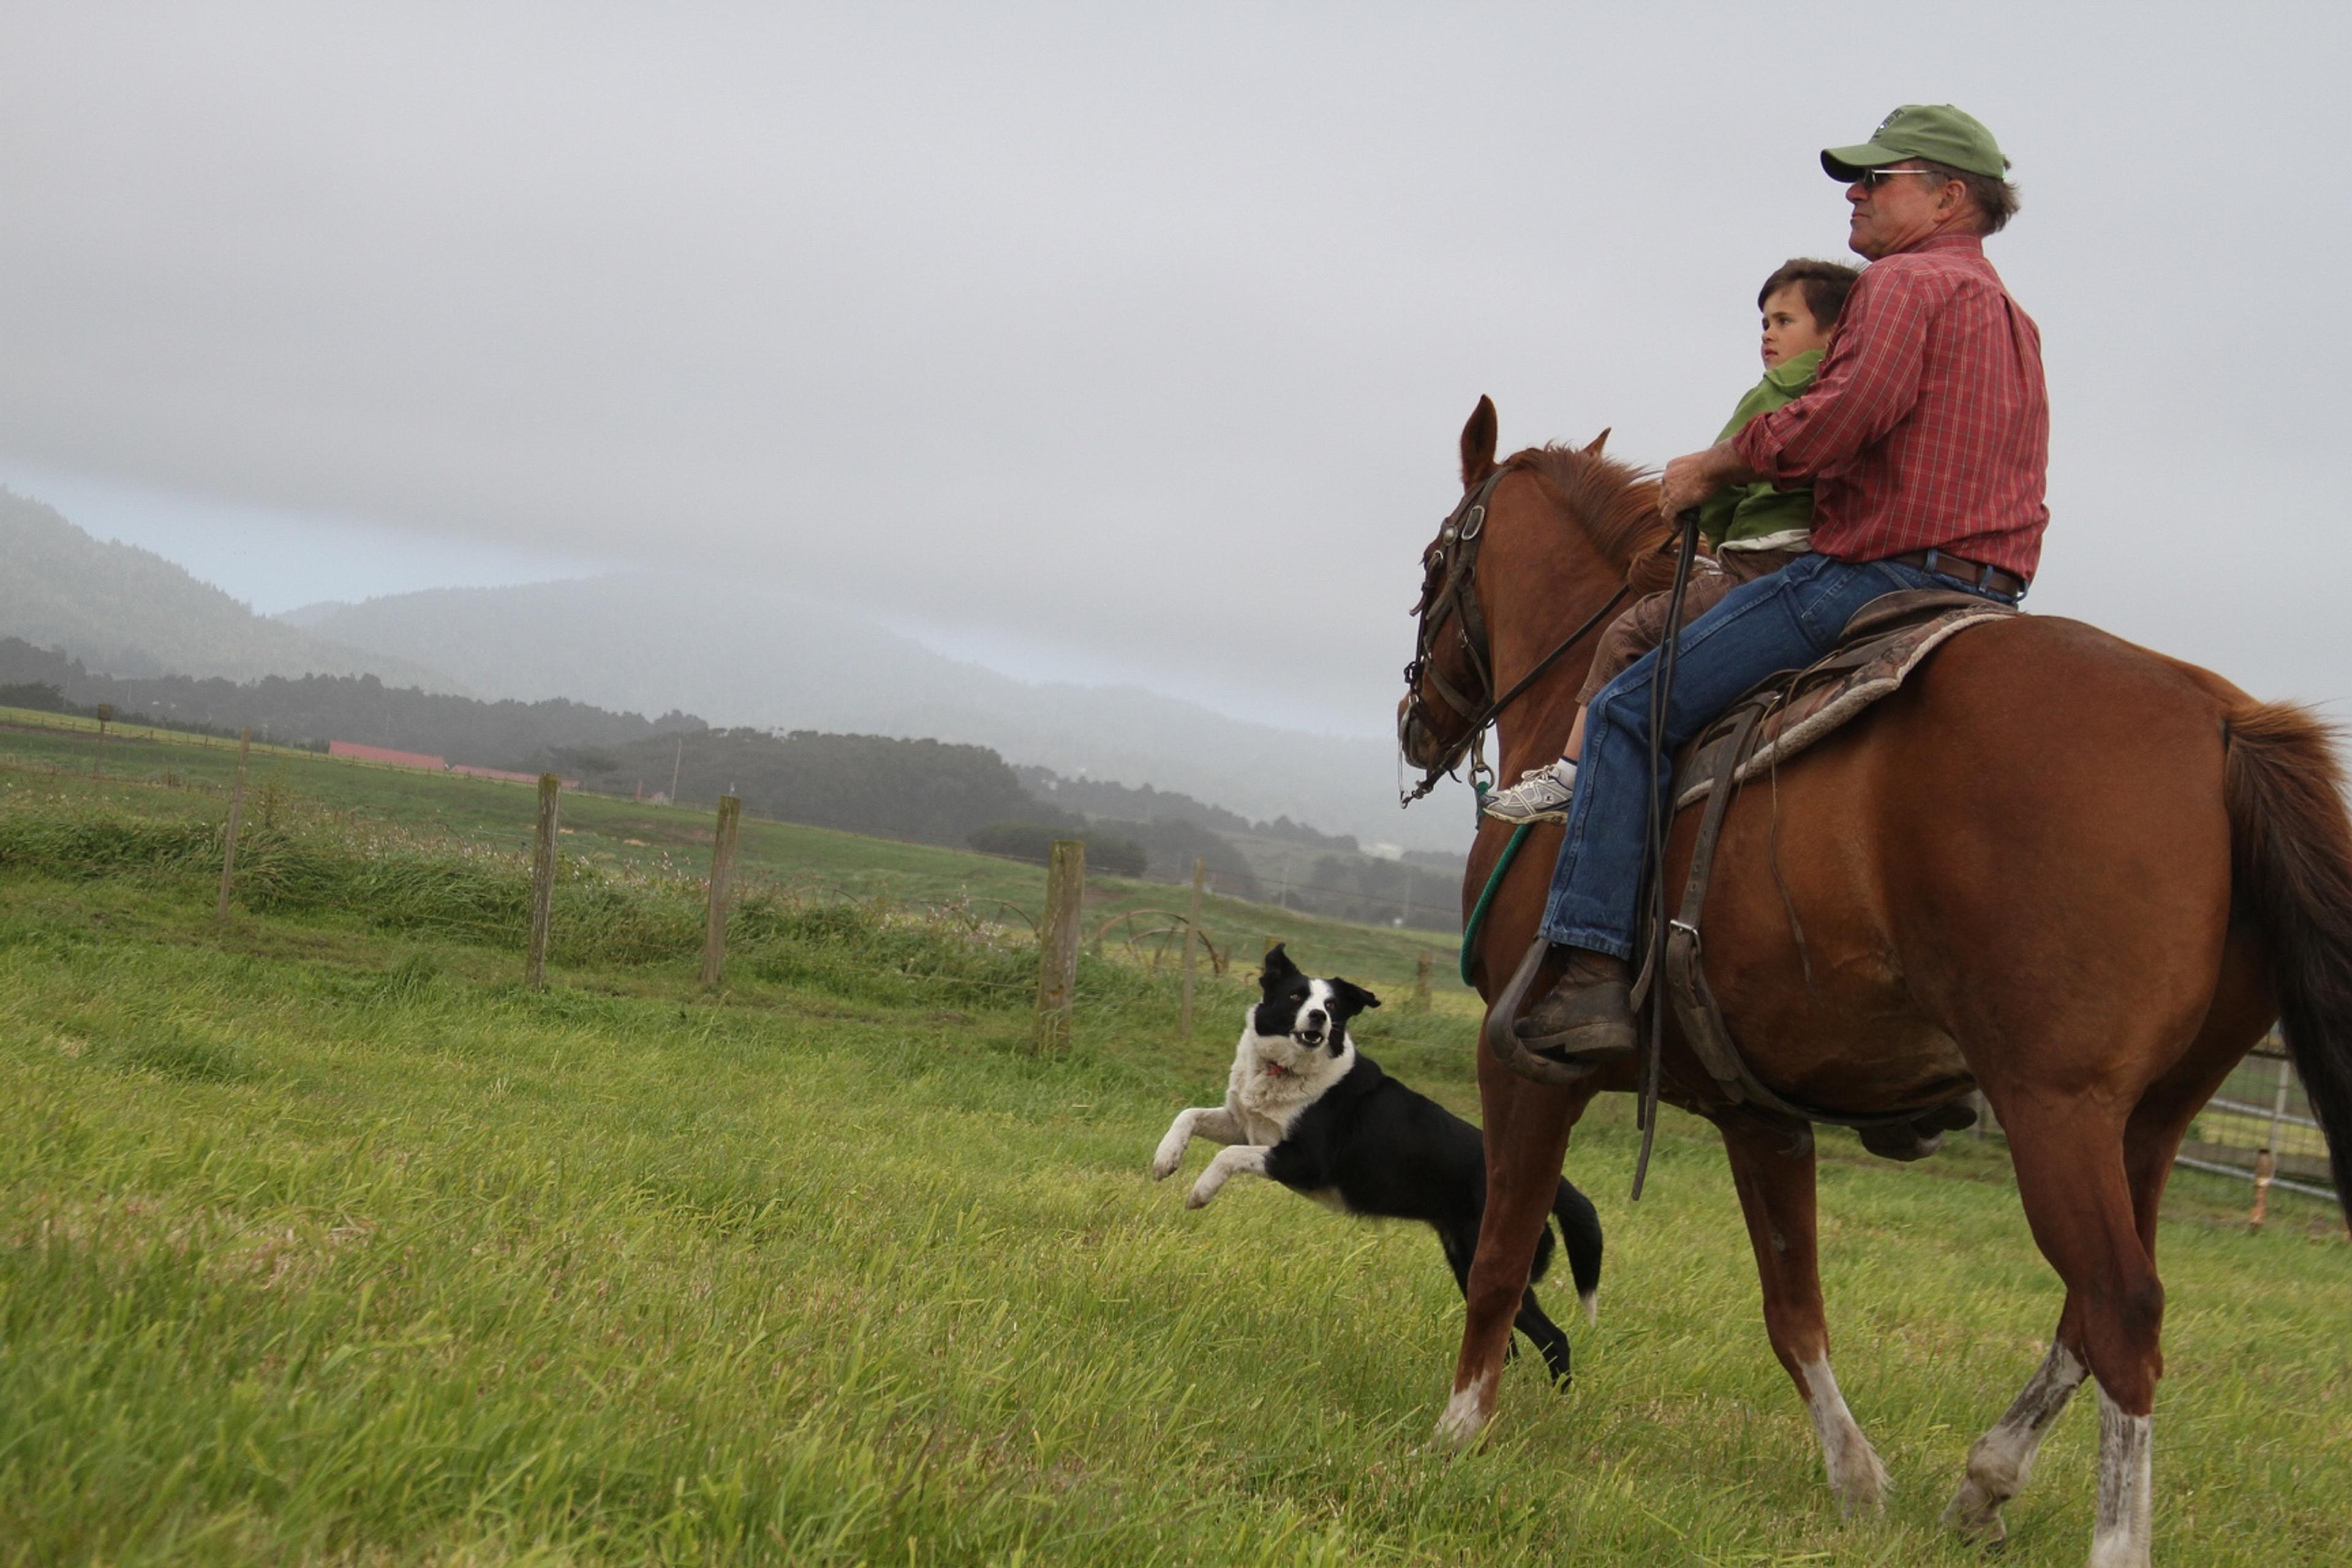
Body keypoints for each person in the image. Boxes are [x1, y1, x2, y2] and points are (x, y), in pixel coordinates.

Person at [1513, 104, 2049, 1065]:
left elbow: (1838, 422)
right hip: (1989, 596)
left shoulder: (1902, 284)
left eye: (1879, 179)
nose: (1857, 192)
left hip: (1871, 579)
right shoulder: (2012, 319)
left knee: (1635, 708)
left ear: (1949, 196)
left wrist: (1713, 469)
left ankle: (1591, 973)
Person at [1482, 257, 1861, 825]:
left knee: (1629, 633)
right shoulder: (1849, 398)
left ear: (1834, 333)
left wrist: (1700, 516)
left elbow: (1722, 484)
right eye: (1764, 322)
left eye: (1785, 321)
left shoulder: (1776, 392)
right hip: (1824, 562)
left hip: (1762, 568)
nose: (1768, 335)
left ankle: (1567, 776)